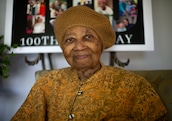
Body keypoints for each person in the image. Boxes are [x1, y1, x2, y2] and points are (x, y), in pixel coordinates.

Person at [11, 6, 168, 121]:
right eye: (70, 40)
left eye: (88, 37)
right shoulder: (46, 83)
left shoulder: (133, 85)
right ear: (63, 48)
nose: (79, 47)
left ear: (100, 44)